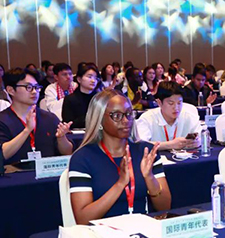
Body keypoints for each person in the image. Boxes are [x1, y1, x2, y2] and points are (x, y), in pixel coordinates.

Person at [68, 90, 171, 224]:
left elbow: (165, 207)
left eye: (129, 114)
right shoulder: (82, 159)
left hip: (142, 229)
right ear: (99, 120)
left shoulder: (146, 152)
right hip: (102, 233)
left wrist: (149, 177)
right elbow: (83, 219)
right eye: (117, 115)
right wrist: (120, 184)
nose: (126, 120)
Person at [0, 68, 73, 164]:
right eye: (28, 87)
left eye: (36, 87)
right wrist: (27, 130)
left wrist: (61, 138)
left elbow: (68, 152)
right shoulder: (3, 120)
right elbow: (3, 154)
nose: (34, 91)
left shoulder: (50, 118)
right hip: (13, 172)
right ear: (11, 90)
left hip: (47, 172)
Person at [136, 81, 203, 150]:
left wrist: (198, 142)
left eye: (179, 103)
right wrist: (170, 145)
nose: (176, 108)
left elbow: (204, 137)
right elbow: (140, 144)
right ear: (159, 103)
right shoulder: (147, 118)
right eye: (171, 103)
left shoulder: (189, 115)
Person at [62, 64, 102, 128]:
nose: (93, 81)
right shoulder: (70, 99)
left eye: (95, 78)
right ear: (79, 79)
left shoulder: (99, 98)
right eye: (89, 77)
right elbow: (68, 123)